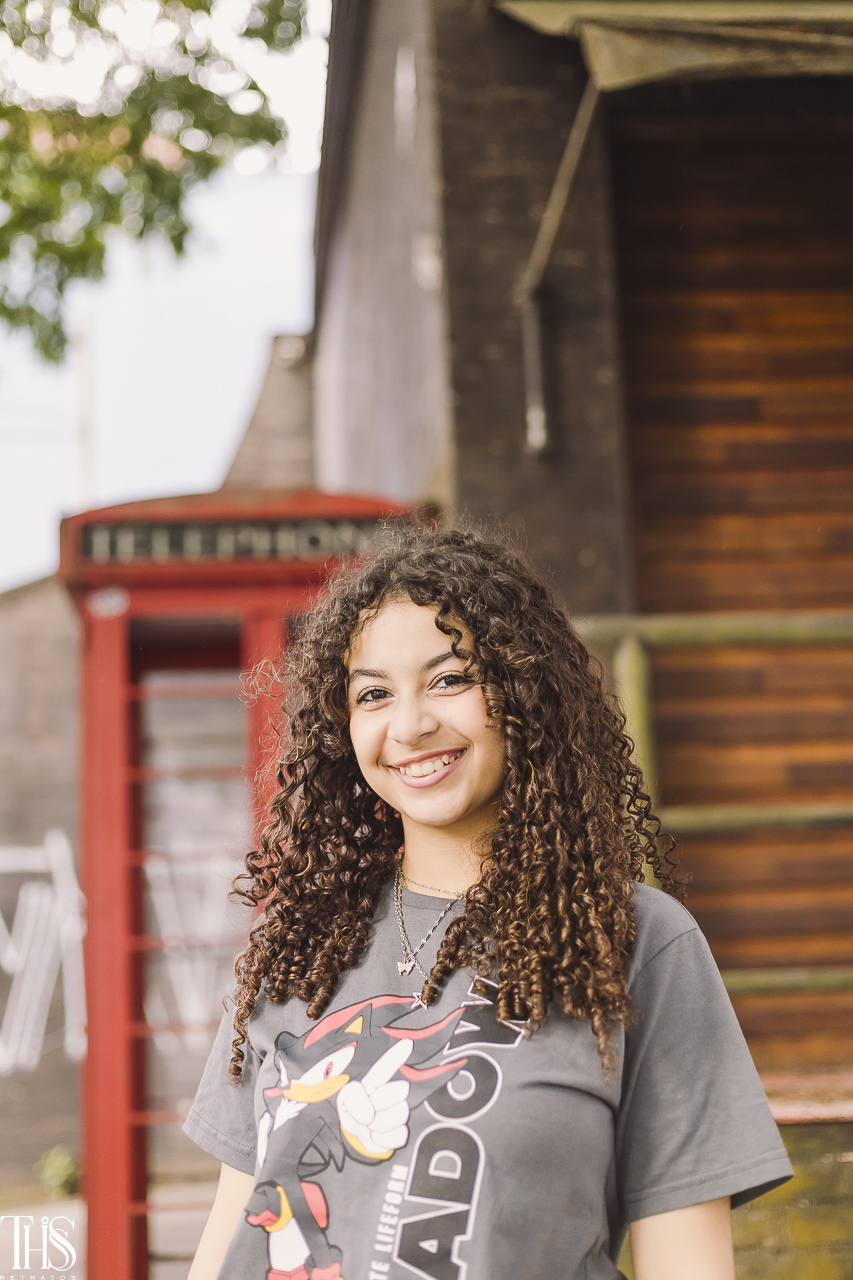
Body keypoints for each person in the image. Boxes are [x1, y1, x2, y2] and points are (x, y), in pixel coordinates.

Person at [185, 526, 793, 1280]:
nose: (409, 726)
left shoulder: (635, 941)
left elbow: (687, 1265)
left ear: (524, 691)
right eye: (373, 694)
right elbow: (231, 1230)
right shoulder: (296, 944)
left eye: (448, 679)